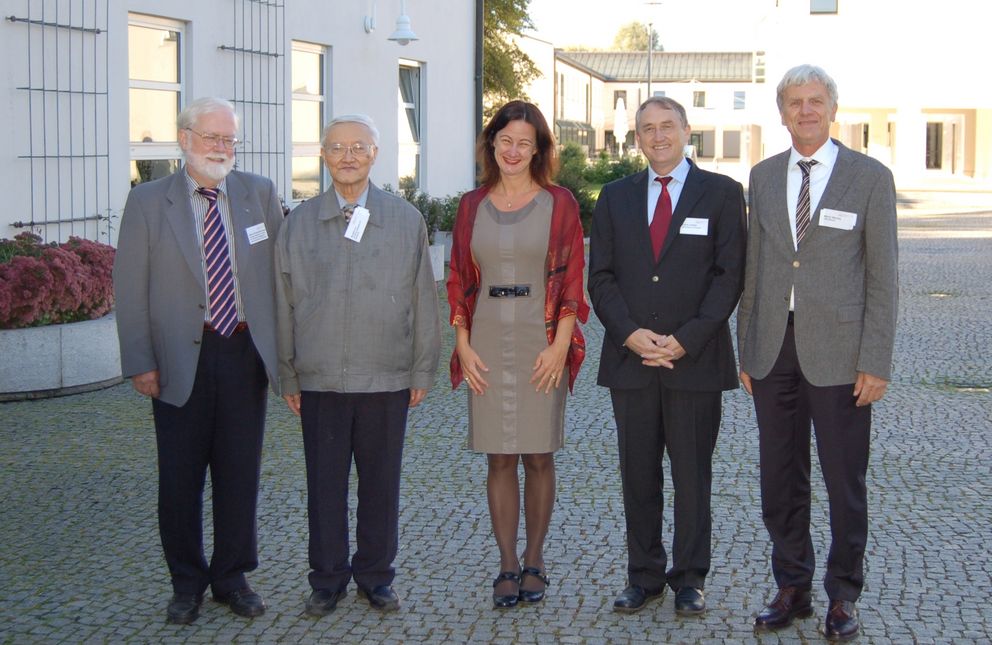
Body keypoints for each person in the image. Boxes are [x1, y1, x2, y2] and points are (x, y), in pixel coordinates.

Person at [737, 64, 898, 641]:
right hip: (773, 350)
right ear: (781, 112)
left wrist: (875, 360)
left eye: (815, 101)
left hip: (840, 353)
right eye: (794, 102)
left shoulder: (870, 178)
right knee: (779, 476)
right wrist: (747, 347)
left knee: (843, 479)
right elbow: (755, 269)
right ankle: (792, 586)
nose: (805, 111)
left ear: (833, 107)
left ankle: (843, 594)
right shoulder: (761, 176)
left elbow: (883, 278)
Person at [113, 97, 283, 624]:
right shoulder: (147, 201)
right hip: (178, 357)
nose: (222, 148)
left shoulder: (259, 193)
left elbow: (281, 274)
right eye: (212, 137)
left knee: (239, 473)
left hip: (243, 351)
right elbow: (130, 287)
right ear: (184, 137)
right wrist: (141, 360)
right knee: (180, 477)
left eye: (230, 139)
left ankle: (232, 577)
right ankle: (185, 582)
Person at [275, 114, 441, 616]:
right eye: (337, 147)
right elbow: (282, 302)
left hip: (385, 376)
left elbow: (424, 299)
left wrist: (421, 369)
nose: (348, 156)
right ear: (322, 155)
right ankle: (326, 579)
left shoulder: (405, 219)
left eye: (359, 147)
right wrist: (287, 371)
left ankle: (376, 576)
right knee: (324, 485)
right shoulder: (299, 223)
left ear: (374, 154)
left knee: (380, 483)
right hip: (320, 379)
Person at [588, 97, 746, 616]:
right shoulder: (614, 197)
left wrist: (689, 337)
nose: (658, 137)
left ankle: (689, 578)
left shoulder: (722, 194)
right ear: (637, 138)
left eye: (667, 127)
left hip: (694, 362)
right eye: (647, 129)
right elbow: (602, 277)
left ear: (686, 130)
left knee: (692, 475)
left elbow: (730, 277)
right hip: (631, 362)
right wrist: (631, 334)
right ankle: (644, 575)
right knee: (638, 475)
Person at [446, 100, 589, 609]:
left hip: (540, 338)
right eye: (505, 140)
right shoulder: (471, 205)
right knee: (499, 455)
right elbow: (459, 278)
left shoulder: (560, 203)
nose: (513, 150)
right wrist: (461, 343)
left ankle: (535, 558)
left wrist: (559, 346)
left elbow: (572, 278)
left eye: (524, 142)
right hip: (485, 339)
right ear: (492, 145)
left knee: (538, 453)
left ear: (539, 149)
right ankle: (506, 563)